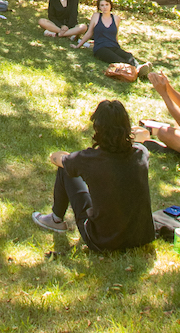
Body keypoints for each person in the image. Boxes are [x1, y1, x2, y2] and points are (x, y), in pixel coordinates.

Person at [31, 99, 155, 252]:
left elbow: (56, 158)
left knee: (65, 168)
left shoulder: (89, 159)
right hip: (142, 236)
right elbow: (144, 134)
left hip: (103, 241)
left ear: (98, 128)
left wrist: (72, 158)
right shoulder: (141, 153)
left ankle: (56, 219)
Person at [74, 0, 138, 63]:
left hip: (113, 46)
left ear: (110, 5)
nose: (105, 7)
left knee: (128, 56)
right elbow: (89, 33)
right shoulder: (96, 16)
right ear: (99, 7)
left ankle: (139, 68)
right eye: (102, 5)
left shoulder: (116, 18)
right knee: (119, 60)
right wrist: (78, 46)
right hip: (101, 48)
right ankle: (130, 71)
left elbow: (115, 35)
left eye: (107, 4)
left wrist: (119, 48)